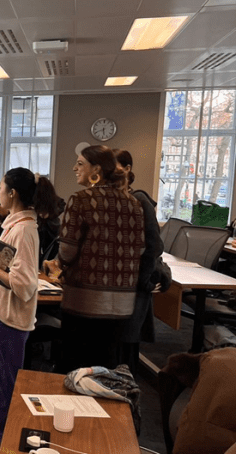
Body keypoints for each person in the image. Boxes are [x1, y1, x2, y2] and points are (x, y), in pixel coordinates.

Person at [0, 168, 60, 454]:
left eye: (0, 187)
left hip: (11, 317)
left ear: (12, 193)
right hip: (0, 310)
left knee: (6, 380)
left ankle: (2, 439)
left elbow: (23, 284)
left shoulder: (24, 230)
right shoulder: (16, 222)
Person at [43, 145, 144, 372]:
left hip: (85, 300)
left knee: (75, 367)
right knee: (105, 367)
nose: (74, 168)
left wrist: (58, 266)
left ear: (96, 169)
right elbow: (140, 248)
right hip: (122, 304)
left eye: (80, 164)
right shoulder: (134, 203)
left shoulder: (81, 199)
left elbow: (67, 251)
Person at [114, 149, 161, 374]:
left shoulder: (139, 201)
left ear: (127, 169)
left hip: (135, 286)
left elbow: (154, 246)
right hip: (117, 286)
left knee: (127, 347)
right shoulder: (113, 201)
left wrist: (144, 281)